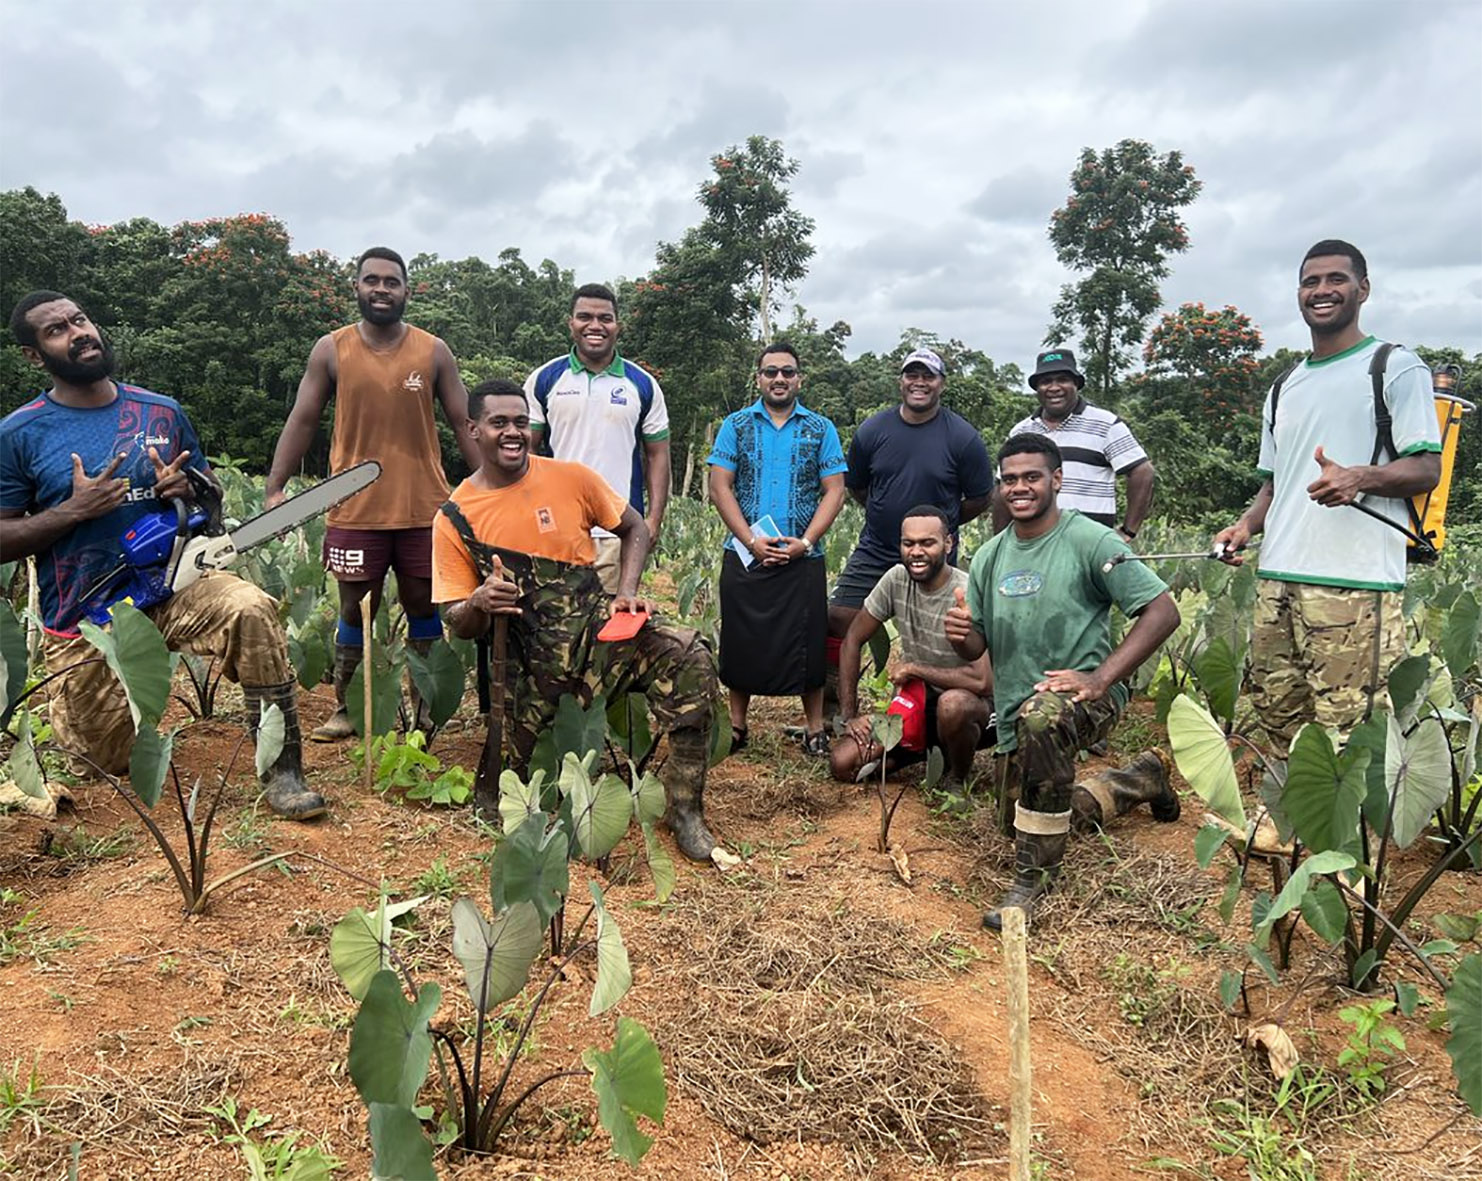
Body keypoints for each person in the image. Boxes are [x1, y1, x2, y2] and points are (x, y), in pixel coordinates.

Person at [1, 292, 325, 819]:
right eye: (57, 330)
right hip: (89, 613)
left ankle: (282, 770)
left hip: (174, 583)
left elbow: (211, 498)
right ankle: (78, 716)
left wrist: (188, 488)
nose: (78, 332)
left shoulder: (160, 411)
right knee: (103, 759)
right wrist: (71, 511)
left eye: (80, 319)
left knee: (249, 606)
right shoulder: (20, 434)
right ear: (34, 356)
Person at [432, 380, 720, 862]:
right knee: (514, 793)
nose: (513, 433)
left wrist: (626, 592)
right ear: (472, 429)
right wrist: (480, 600)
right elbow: (457, 623)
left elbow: (633, 528)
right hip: (529, 661)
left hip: (596, 635)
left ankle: (685, 807)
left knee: (687, 655)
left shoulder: (571, 478)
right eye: (499, 423)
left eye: (521, 423)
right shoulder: (456, 517)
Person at [1213, 240, 1441, 751]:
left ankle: (1341, 836)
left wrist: (1359, 477)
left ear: (1363, 289)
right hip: (1278, 581)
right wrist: (1245, 526)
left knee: (1349, 733)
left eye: (1336, 279)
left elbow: (1427, 466)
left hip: (1355, 584)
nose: (1322, 291)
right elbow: (1275, 483)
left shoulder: (1394, 366)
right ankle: (1292, 829)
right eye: (1311, 281)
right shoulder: (1284, 385)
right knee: (1277, 716)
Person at [946, 434, 1181, 930]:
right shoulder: (989, 556)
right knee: (1029, 813)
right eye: (1009, 479)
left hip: (1080, 698)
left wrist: (1101, 677)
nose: (1019, 488)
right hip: (1016, 708)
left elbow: (1162, 611)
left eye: (1031, 477)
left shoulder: (1091, 540)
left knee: (1042, 726)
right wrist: (963, 636)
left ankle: (1033, 881)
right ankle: (1139, 779)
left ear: (1057, 479)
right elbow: (978, 646)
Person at [265, 246, 479, 742]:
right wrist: (275, 487)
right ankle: (347, 706)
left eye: (391, 282)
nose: (381, 289)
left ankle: (424, 711)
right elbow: (303, 418)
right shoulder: (331, 349)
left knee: (423, 605)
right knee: (352, 607)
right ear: (356, 287)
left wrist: (490, 486)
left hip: (424, 506)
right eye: (372, 280)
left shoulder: (433, 350)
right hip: (354, 505)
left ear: (407, 290)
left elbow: (463, 424)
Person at [708, 343, 847, 757]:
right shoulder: (736, 425)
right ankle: (736, 724)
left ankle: (814, 727)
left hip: (802, 554)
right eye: (771, 372)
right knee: (740, 636)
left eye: (788, 372)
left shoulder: (821, 429)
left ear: (799, 378)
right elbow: (720, 486)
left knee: (808, 641)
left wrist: (806, 542)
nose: (779, 379)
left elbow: (834, 491)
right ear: (759, 379)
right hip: (746, 551)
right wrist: (750, 539)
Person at [828, 348, 993, 684]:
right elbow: (857, 486)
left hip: (933, 554)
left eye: (928, 376)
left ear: (941, 384)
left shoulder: (962, 437)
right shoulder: (872, 430)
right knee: (839, 616)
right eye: (911, 375)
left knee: (945, 629)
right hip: (876, 547)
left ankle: (935, 704)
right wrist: (883, 511)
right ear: (900, 381)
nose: (919, 382)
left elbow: (980, 497)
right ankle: (836, 705)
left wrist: (938, 525)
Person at [830, 506, 995, 788]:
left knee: (952, 706)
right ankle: (921, 752)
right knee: (842, 763)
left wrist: (916, 668)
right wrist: (849, 716)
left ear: (948, 543)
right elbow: (852, 641)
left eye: (927, 543)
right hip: (915, 707)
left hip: (974, 709)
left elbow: (982, 681)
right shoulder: (896, 580)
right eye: (909, 543)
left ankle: (956, 779)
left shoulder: (965, 592)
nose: (916, 552)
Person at [524, 284, 670, 593]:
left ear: (618, 325)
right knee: (555, 626)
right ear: (570, 323)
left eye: (605, 318)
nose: (595, 326)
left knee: (610, 627)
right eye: (585, 317)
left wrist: (653, 519)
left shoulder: (642, 384)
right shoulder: (544, 378)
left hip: (619, 531)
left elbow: (657, 455)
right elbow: (527, 449)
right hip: (555, 529)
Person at [994, 349, 1153, 540]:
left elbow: (1142, 472)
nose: (1054, 387)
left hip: (1090, 544)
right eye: (1045, 381)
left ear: (1076, 384)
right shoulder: (1021, 431)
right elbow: (1002, 488)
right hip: (1034, 544)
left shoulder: (1105, 424)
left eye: (1062, 379)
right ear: (1037, 388)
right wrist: (1000, 542)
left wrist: (1128, 531)